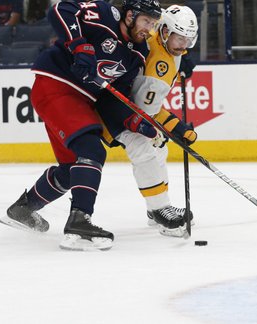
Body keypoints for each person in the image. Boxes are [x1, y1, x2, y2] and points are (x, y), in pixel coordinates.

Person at [0, 0, 163, 251]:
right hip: (56, 86)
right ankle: (79, 220)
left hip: (80, 100)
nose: (148, 29)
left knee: (70, 170)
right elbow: (61, 9)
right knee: (92, 150)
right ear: (130, 15)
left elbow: (111, 99)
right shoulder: (106, 13)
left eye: (153, 24)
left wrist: (134, 120)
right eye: (146, 21)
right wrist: (80, 45)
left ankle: (23, 209)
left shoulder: (137, 54)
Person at [97, 4, 198, 238]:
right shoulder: (158, 69)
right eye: (180, 38)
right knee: (145, 149)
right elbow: (144, 111)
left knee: (159, 148)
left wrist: (181, 60)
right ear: (165, 32)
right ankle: (160, 210)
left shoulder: (153, 31)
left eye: (188, 40)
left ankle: (157, 208)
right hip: (113, 109)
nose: (183, 46)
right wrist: (176, 126)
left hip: (120, 101)